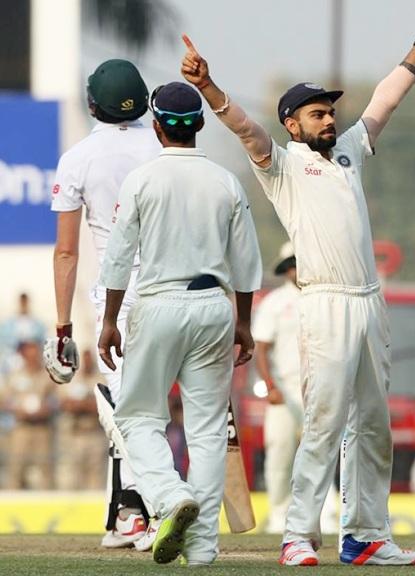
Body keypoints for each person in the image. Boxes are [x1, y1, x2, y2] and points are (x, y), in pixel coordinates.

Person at [180, 0, 415, 566]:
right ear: (293, 123)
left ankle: (365, 534)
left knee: (374, 427)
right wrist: (210, 87)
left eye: (329, 111)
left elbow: (384, 101)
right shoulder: (282, 165)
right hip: (322, 303)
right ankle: (299, 534)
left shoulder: (350, 150)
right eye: (317, 114)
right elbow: (246, 128)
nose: (329, 119)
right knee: (323, 422)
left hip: (370, 303)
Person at [97, 81, 262, 566]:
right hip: (215, 305)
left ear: (156, 126)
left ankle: (169, 497)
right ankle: (203, 546)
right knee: (208, 431)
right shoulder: (224, 181)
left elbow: (119, 255)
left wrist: (109, 320)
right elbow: (247, 262)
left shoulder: (144, 179)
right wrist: (244, 323)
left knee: (137, 418)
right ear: (200, 126)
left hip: (159, 303)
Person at [44, 58, 160, 549]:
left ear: (93, 104)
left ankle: (143, 510)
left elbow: (67, 250)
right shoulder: (165, 146)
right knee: (148, 406)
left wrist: (63, 327)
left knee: (126, 408)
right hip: (174, 287)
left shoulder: (79, 157)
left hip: (120, 297)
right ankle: (127, 512)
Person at [253, 242, 339, 535]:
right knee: (280, 451)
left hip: (320, 386)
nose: (295, 269)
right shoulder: (275, 302)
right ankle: (279, 513)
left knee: (322, 451)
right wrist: (270, 386)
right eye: (290, 264)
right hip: (285, 390)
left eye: (299, 263)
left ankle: (325, 514)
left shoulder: (325, 299)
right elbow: (260, 348)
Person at [1, 340, 57, 490]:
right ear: (23, 355)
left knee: (45, 470)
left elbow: (58, 400)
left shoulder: (47, 375)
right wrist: (17, 409)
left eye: (35, 352)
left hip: (42, 429)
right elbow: (4, 401)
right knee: (16, 470)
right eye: (29, 353)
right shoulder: (14, 376)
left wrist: (47, 409)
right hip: (21, 429)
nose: (33, 356)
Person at [56, 349, 107, 490]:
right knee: (71, 477)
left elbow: (104, 405)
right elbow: (63, 403)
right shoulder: (71, 379)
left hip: (94, 433)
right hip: (74, 433)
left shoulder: (100, 380)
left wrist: (83, 405)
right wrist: (82, 404)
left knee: (95, 477)